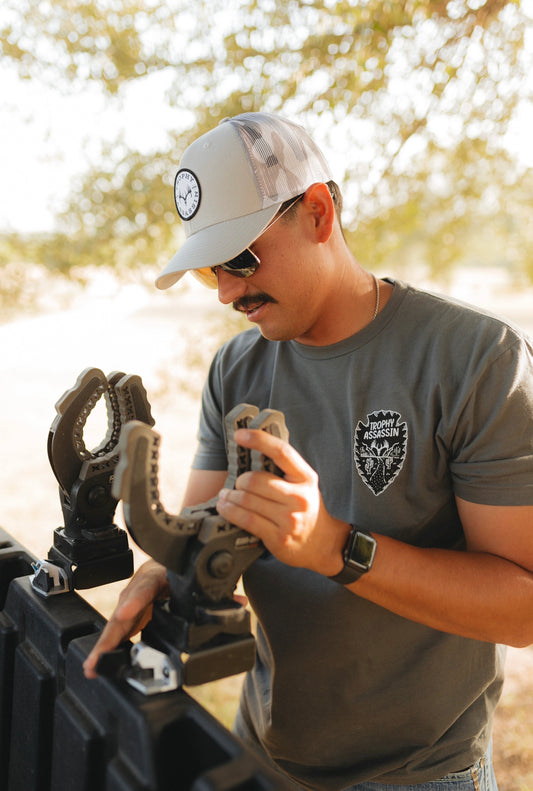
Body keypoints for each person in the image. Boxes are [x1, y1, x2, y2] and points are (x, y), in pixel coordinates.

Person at [83, 112, 533, 790]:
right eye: (211, 273)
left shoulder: (476, 359)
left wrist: (333, 546)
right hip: (259, 755)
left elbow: (521, 608)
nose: (229, 292)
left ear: (317, 211)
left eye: (240, 258)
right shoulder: (235, 367)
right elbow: (202, 529)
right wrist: (162, 568)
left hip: (419, 775)